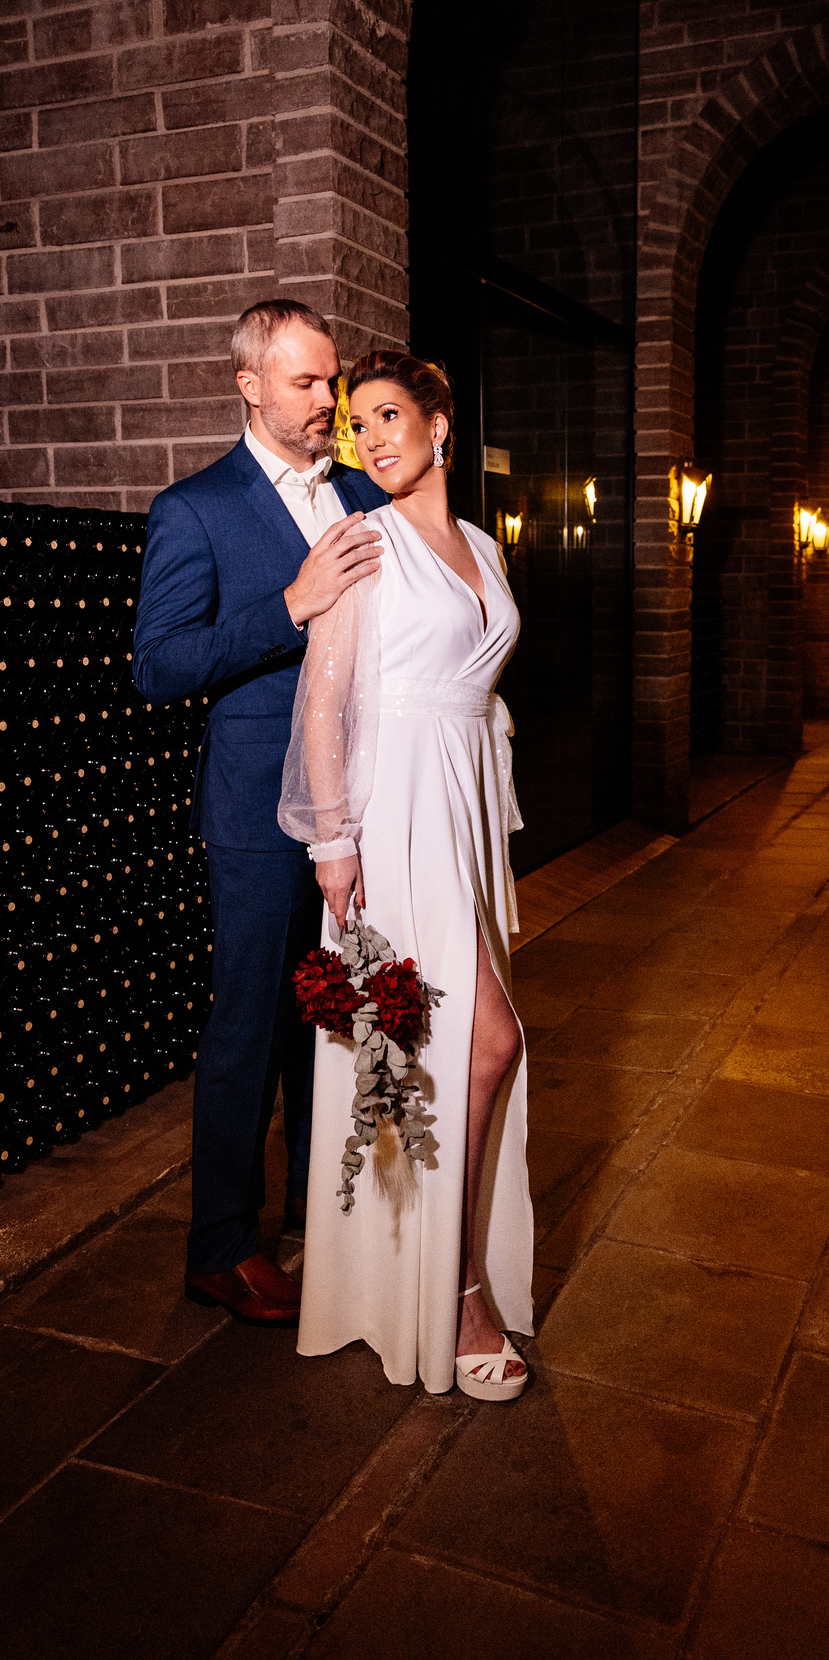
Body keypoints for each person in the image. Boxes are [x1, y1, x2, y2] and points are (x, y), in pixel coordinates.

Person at [279, 351, 533, 1400]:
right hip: (394, 820)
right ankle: (459, 1291)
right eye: (355, 427)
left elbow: (477, 691)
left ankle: (436, 1270)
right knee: (484, 1041)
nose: (370, 440)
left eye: (389, 416)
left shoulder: (478, 542)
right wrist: (332, 846)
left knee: (438, 1054)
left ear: (441, 423)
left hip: (463, 812)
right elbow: (324, 706)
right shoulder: (362, 543)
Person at [133, 301, 388, 1325]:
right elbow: (159, 667)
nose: (327, 401)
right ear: (248, 385)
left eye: (331, 381)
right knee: (248, 1027)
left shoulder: (366, 489)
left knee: (333, 1019)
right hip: (257, 814)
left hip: (369, 801)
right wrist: (288, 603)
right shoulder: (194, 510)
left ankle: (325, 1217)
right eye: (303, 383)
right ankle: (222, 1248)